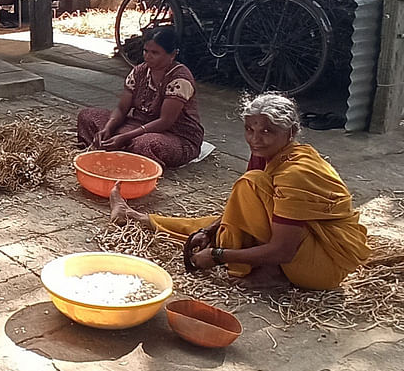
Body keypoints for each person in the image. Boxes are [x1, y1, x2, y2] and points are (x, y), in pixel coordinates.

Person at [109, 93, 371, 290]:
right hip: (300, 241)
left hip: (323, 264)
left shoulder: (297, 173)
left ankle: (273, 272)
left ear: (290, 132)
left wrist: (218, 255)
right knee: (222, 222)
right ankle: (136, 216)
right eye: (250, 129)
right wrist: (208, 231)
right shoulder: (270, 155)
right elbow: (240, 211)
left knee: (245, 193)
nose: (255, 139)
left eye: (267, 131)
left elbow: (284, 250)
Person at [77, 28, 204, 168]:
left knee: (145, 145)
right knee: (88, 116)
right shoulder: (139, 71)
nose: (148, 56)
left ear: (173, 54)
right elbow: (121, 108)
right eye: (146, 51)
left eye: (155, 53)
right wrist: (108, 128)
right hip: (136, 125)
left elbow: (165, 121)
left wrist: (125, 136)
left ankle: (122, 151)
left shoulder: (180, 79)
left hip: (174, 135)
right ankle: (114, 149)